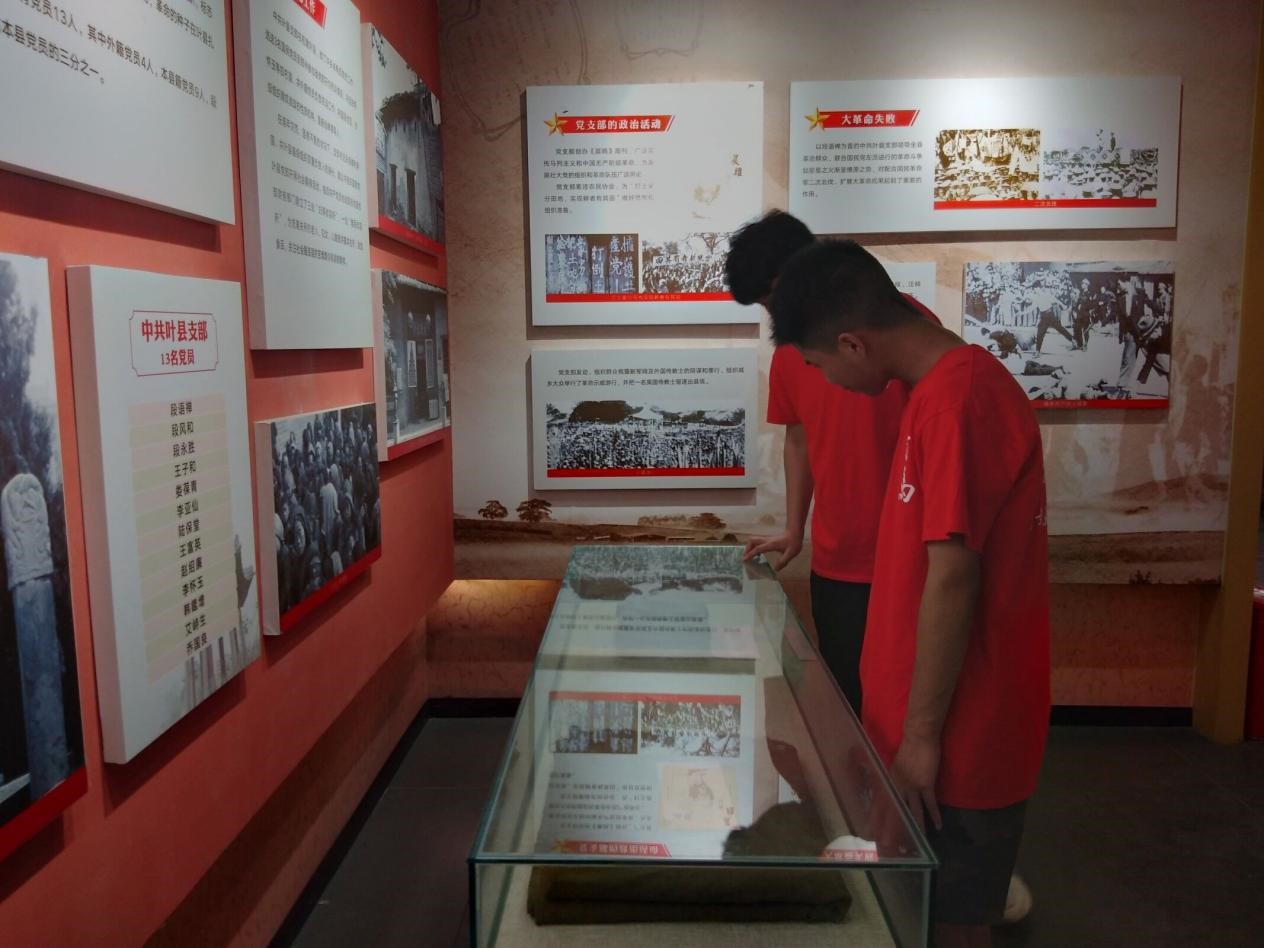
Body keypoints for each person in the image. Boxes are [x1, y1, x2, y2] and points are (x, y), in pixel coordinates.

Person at [768, 239, 1050, 947]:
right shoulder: (936, 394)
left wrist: (921, 739)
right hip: (926, 730)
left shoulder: (958, 402)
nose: (824, 382)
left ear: (852, 344)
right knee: (916, 906)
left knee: (954, 921)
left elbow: (953, 577)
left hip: (961, 739)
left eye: (818, 365)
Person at [725, 211, 918, 715]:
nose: (776, 315)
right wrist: (796, 528)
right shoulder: (790, 352)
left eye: (773, 299)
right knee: (846, 702)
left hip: (909, 553)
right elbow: (799, 438)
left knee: (904, 701)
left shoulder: (898, 326)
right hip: (837, 556)